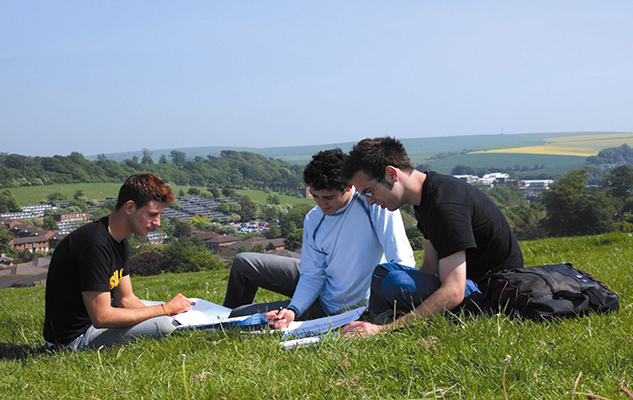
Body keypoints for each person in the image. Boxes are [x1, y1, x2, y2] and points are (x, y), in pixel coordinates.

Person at [341, 137, 524, 336]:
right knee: (382, 273)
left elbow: (454, 291)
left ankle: (384, 326)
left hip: (492, 293)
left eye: (369, 192)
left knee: (396, 282)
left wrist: (384, 331)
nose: (370, 202)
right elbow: (430, 266)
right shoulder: (427, 196)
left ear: (391, 174)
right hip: (471, 284)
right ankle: (370, 321)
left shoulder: (444, 206)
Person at [223, 148, 415, 329]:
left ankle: (226, 322)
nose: (322, 204)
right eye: (315, 196)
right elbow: (312, 274)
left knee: (240, 315)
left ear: (349, 186)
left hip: (336, 307)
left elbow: (400, 258)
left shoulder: (373, 205)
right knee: (243, 263)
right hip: (317, 282)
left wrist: (398, 312)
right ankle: (213, 321)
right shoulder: (314, 219)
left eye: (328, 198)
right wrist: (293, 310)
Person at [43, 173, 194, 350]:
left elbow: (126, 299)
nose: (158, 222)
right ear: (130, 207)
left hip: (94, 324)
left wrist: (167, 310)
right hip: (73, 340)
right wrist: (164, 310)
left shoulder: (118, 239)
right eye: (152, 214)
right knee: (165, 325)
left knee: (174, 313)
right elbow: (102, 317)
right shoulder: (94, 245)